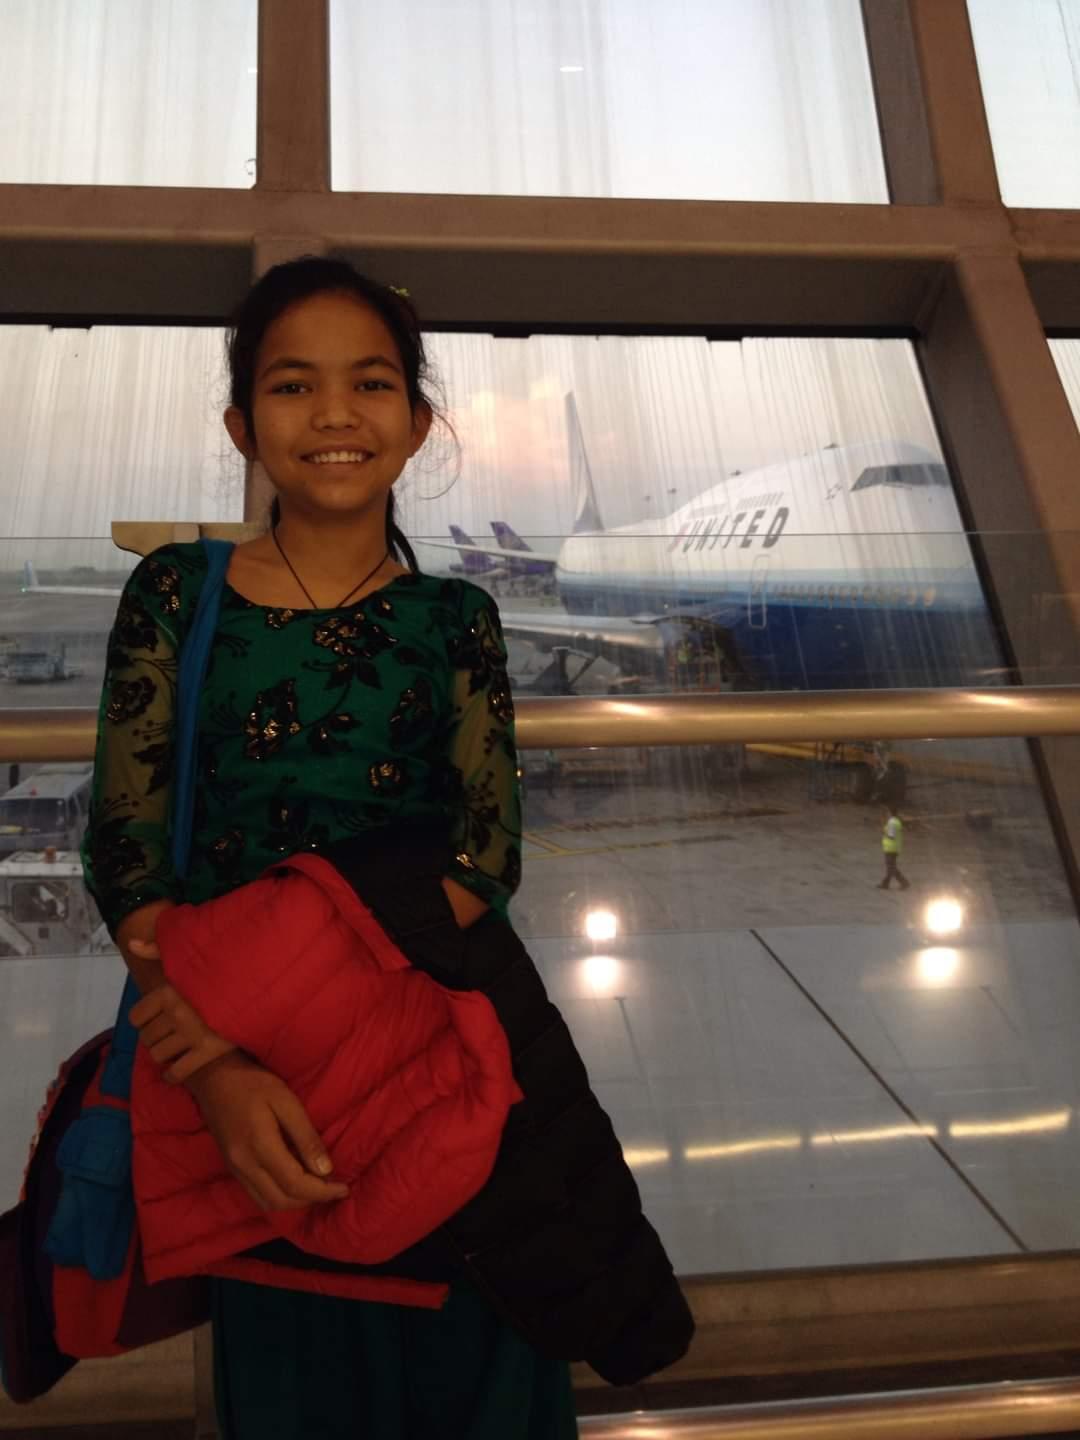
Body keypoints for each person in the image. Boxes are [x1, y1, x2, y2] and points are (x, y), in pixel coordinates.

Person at [81, 258, 580, 1438]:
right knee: (301, 1378)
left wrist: (256, 1010)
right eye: (294, 386)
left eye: (370, 384)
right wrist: (215, 1074)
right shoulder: (175, 595)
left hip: (435, 1064)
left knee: (486, 1380)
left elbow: (483, 858)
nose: (336, 415)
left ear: (416, 424)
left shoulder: (455, 619)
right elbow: (127, 856)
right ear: (242, 423)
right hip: (252, 1090)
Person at [878, 804, 910, 890]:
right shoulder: (896, 821)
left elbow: (891, 835)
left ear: (890, 812)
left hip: (891, 848)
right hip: (895, 847)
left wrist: (884, 831)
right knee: (891, 867)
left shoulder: (892, 822)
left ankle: (904, 882)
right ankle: (886, 883)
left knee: (891, 867)